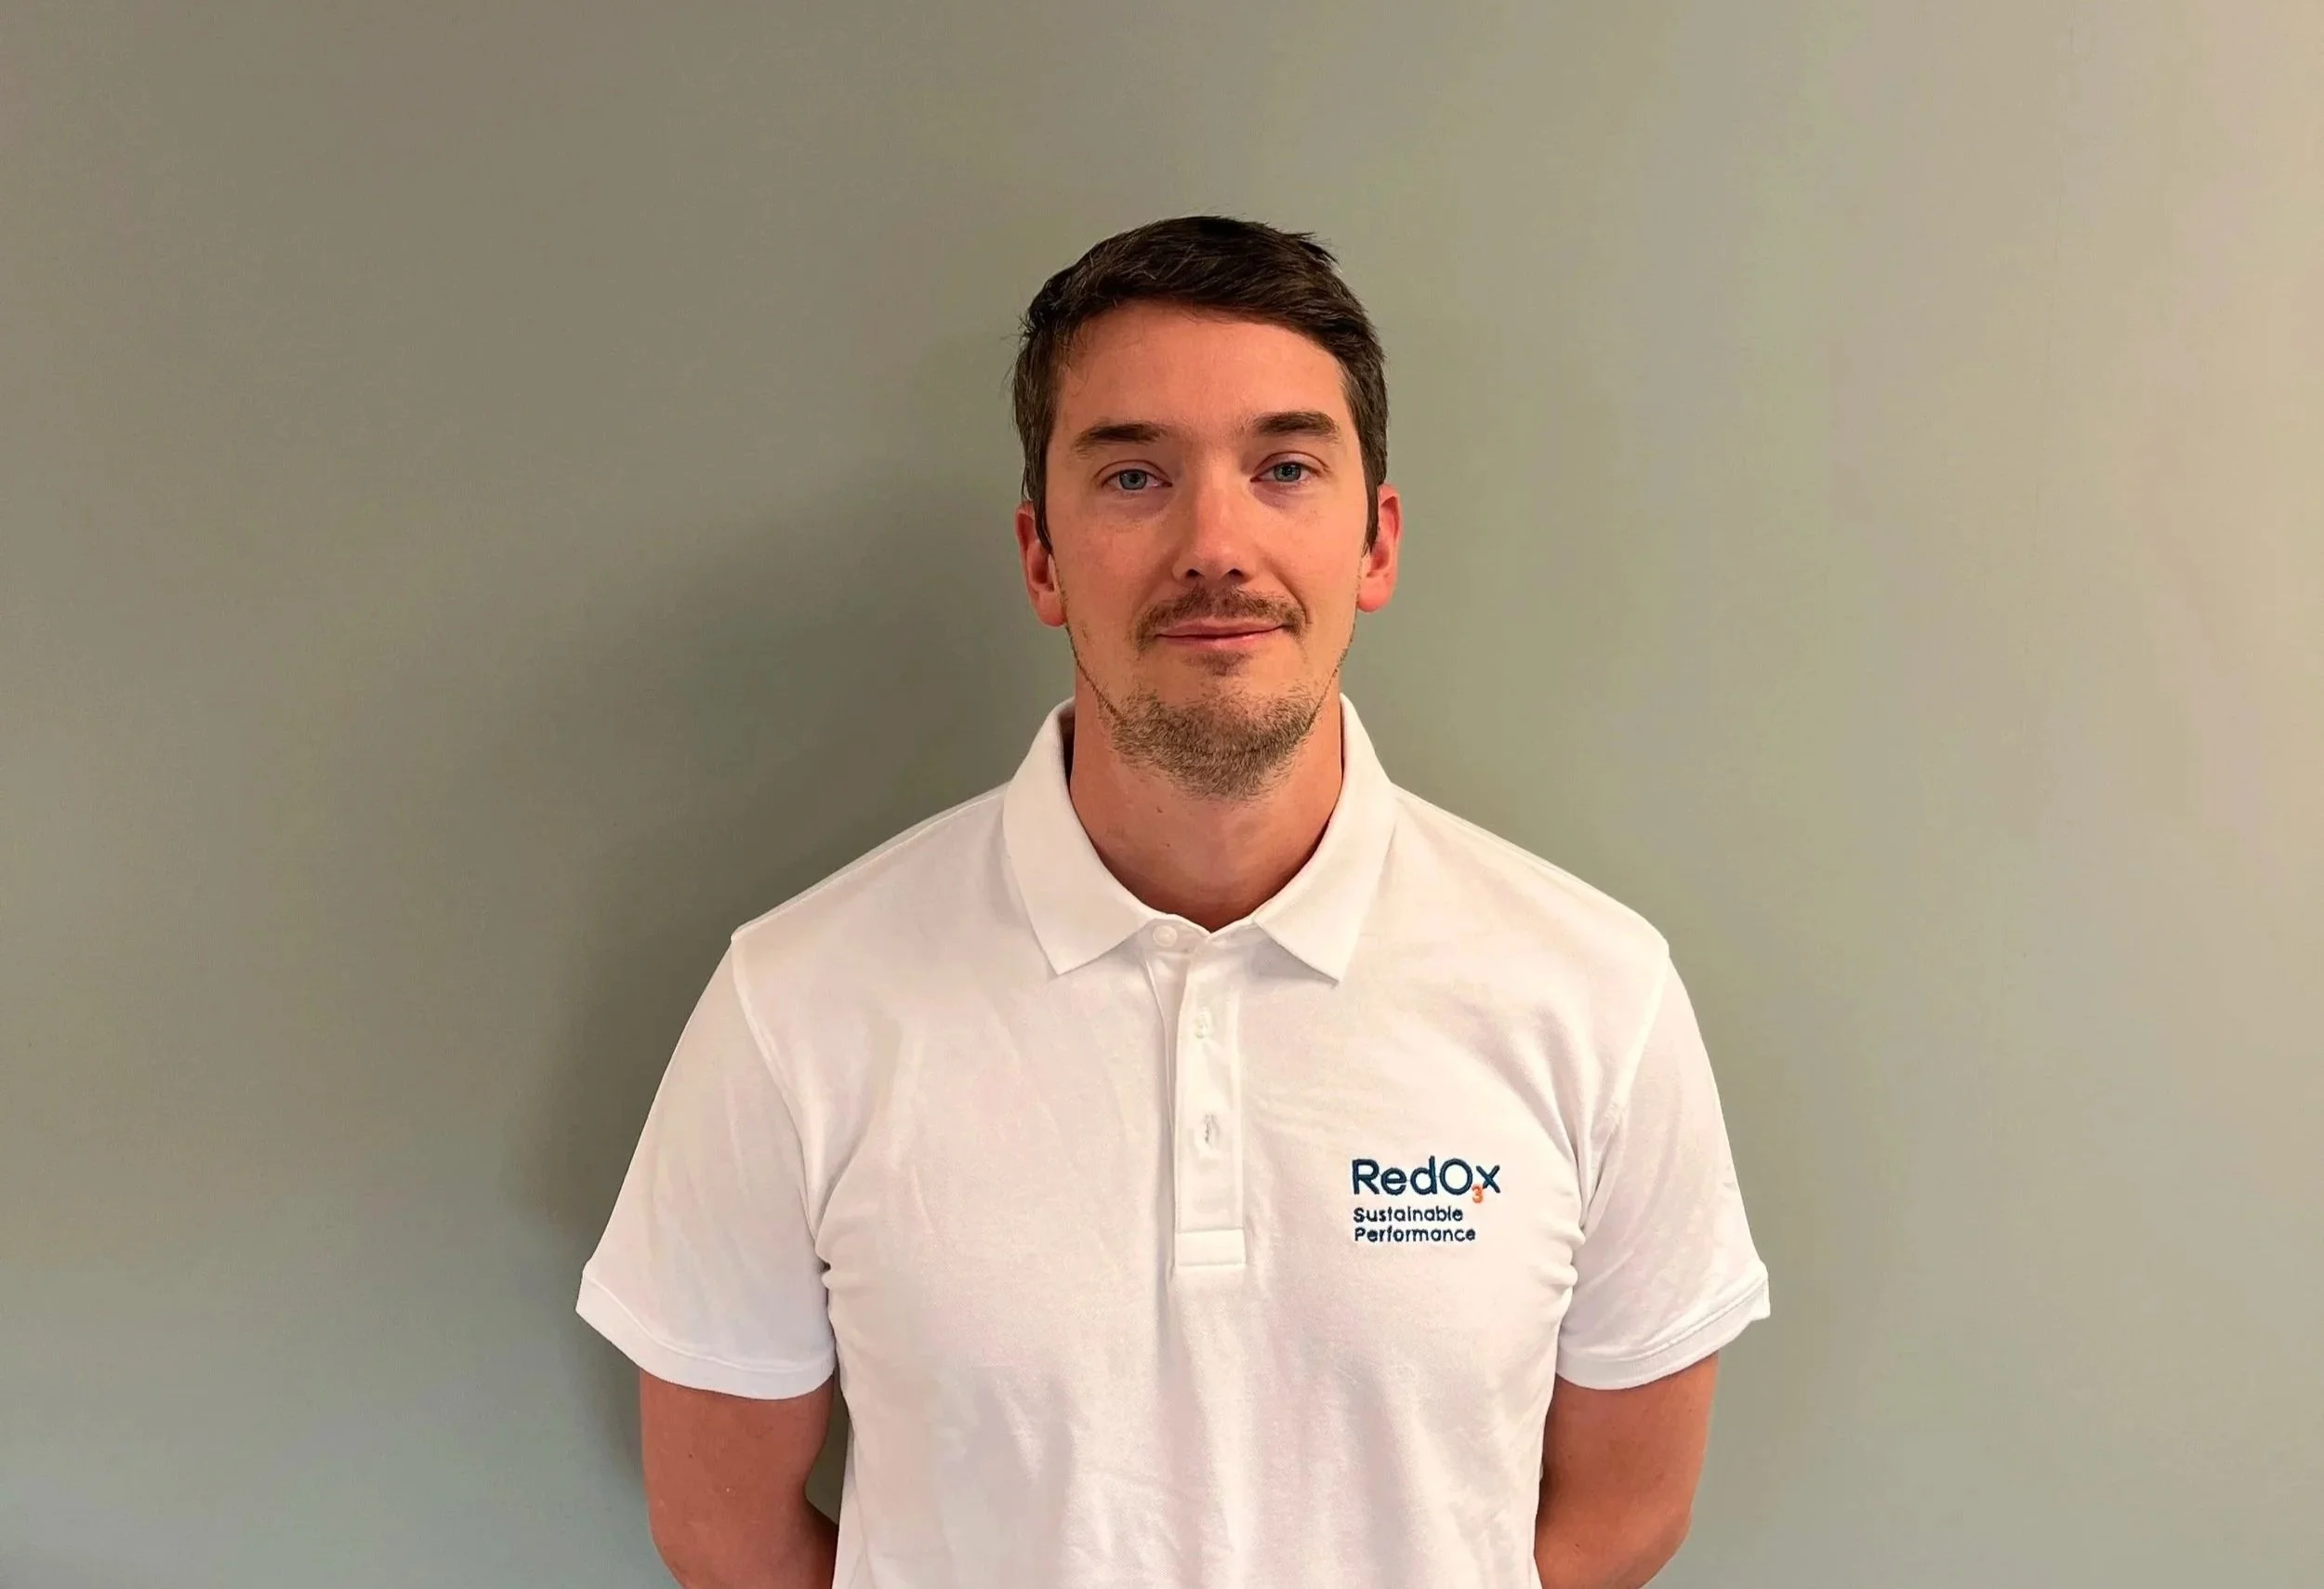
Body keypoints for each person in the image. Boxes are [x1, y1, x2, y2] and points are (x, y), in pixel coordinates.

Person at [576, 215, 1770, 1589]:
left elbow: (1623, 1517)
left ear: (1375, 543)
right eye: (1136, 474)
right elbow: (721, 1531)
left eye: (1285, 468)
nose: (1217, 541)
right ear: (1040, 557)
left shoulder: (1596, 997)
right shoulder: (796, 1005)